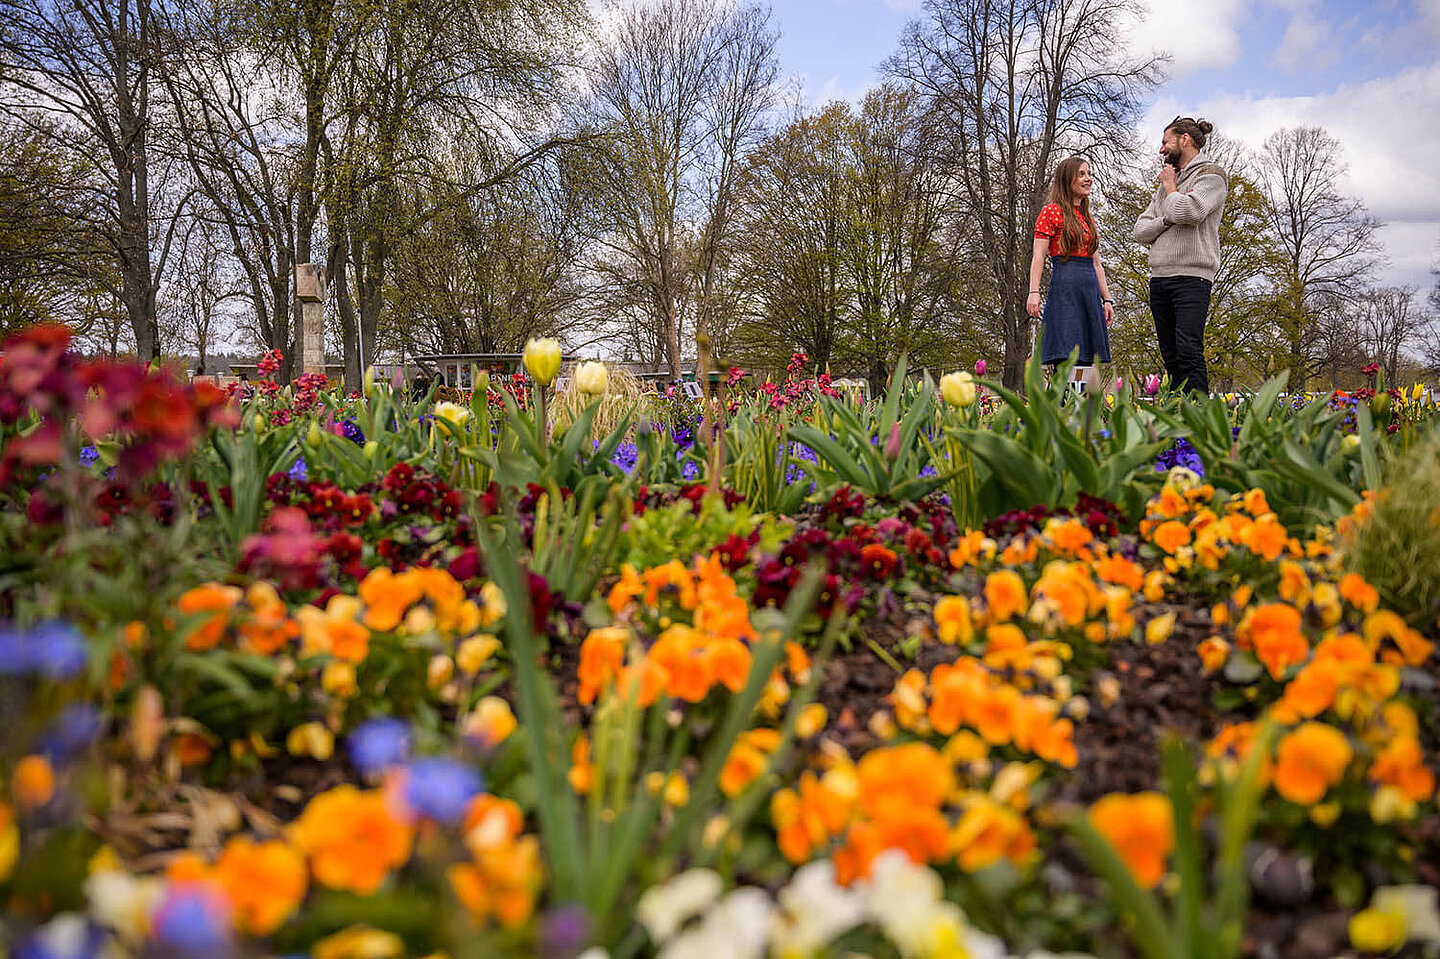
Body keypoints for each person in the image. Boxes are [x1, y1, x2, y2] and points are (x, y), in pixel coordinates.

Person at [1132, 116, 1227, 395]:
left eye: (1165, 142)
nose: (1161, 149)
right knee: (1170, 357)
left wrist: (1171, 192)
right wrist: (1167, 219)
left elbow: (1190, 211)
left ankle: (1199, 419)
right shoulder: (1167, 185)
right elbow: (1140, 230)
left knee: (1188, 351)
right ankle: (1177, 421)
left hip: (1192, 277)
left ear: (1184, 139)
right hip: (1159, 278)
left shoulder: (1212, 176)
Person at [1026, 155, 1115, 392]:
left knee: (1086, 358)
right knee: (1067, 356)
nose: (1089, 179)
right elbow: (1038, 256)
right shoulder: (1051, 212)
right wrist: (1033, 292)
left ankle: (1083, 417)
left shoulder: (1087, 218)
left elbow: (1097, 264)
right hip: (1065, 290)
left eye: (1089, 174)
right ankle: (1061, 411)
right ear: (1068, 180)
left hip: (1089, 293)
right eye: (1082, 174)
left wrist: (1106, 299)